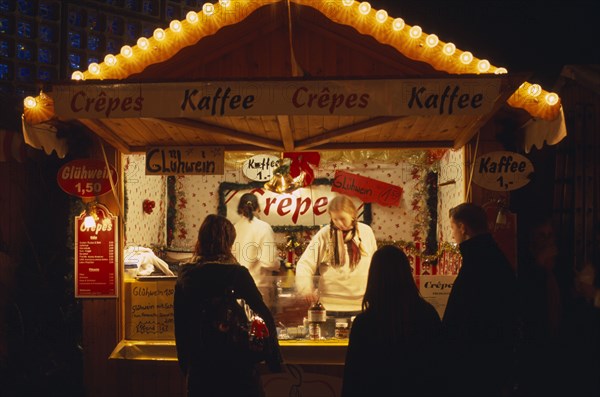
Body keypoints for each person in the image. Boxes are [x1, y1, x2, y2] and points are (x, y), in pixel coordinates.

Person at [174, 214, 282, 397]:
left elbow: (180, 323)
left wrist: (186, 365)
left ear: (201, 239)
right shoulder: (236, 273)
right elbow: (262, 312)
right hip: (237, 365)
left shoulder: (186, 275)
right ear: (229, 242)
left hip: (201, 369)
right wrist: (274, 360)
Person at [341, 245, 442, 397]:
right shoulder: (427, 315)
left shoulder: (364, 324)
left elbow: (353, 379)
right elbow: (439, 368)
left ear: (373, 277)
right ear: (407, 273)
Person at [442, 203, 518, 396]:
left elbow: (465, 316)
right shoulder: (492, 255)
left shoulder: (477, 262)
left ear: (463, 228)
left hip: (476, 362)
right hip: (495, 359)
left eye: (452, 227)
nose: (452, 234)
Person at [295, 195, 378, 317]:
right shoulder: (324, 234)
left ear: (353, 215)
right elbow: (305, 264)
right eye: (335, 219)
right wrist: (306, 288)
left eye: (342, 219)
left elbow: (375, 265)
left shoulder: (366, 232)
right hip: (329, 306)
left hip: (360, 305)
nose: (339, 223)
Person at [232, 193, 279, 310]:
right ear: (258, 208)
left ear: (240, 209)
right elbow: (270, 262)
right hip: (258, 288)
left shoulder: (234, 228)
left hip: (237, 288)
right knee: (260, 326)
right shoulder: (263, 227)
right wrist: (278, 264)